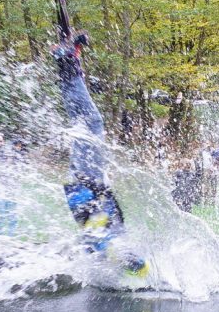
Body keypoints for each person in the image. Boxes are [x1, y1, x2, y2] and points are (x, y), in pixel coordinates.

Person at [52, 33, 148, 276]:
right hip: (84, 191)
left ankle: (68, 66)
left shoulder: (104, 232)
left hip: (85, 187)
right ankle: (68, 67)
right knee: (86, 124)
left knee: (90, 123)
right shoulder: (105, 237)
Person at [0, 133, 18, 236]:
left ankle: (12, 236)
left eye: (1, 141)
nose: (0, 143)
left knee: (12, 213)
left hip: (10, 187)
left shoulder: (8, 153)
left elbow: (11, 167)